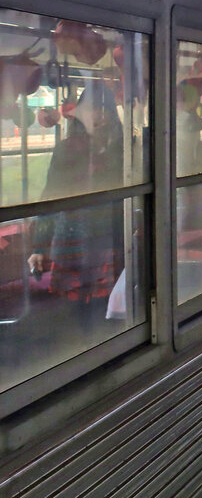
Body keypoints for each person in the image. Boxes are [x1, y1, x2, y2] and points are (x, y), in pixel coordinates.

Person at [27, 78, 124, 331]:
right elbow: (51, 196)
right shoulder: (69, 149)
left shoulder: (123, 148)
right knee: (82, 309)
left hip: (109, 236)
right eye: (94, 109)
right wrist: (39, 246)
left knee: (106, 307)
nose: (100, 115)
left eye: (104, 109)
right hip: (76, 237)